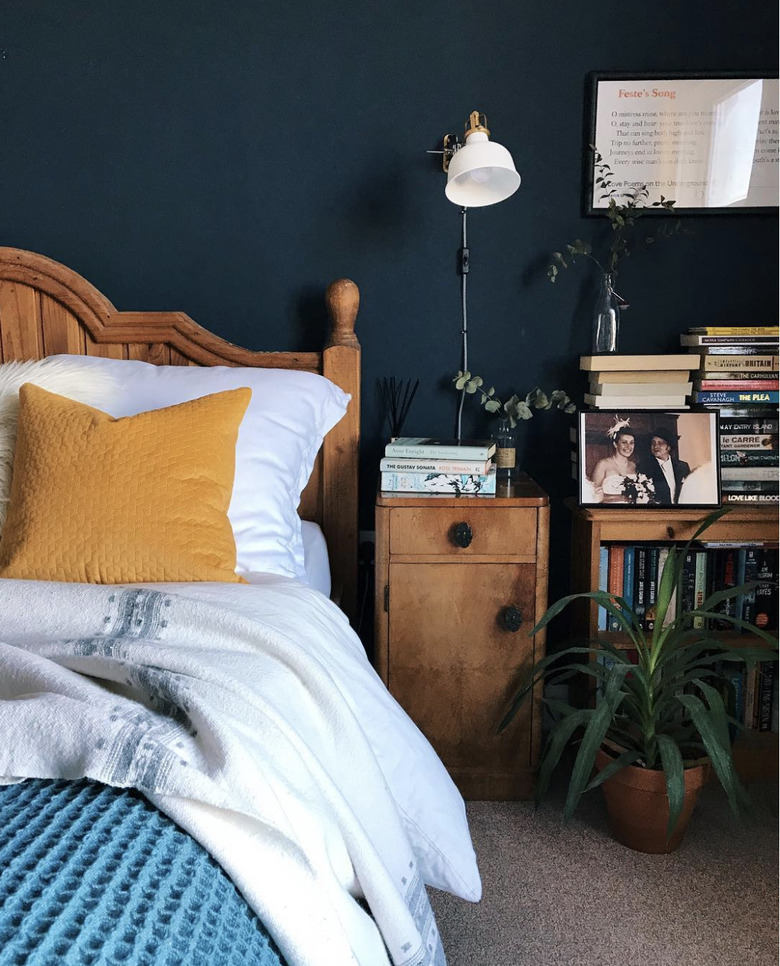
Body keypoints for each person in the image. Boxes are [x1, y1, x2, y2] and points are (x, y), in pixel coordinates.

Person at [639, 428, 690, 505]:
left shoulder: (683, 467)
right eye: (653, 443)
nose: (656, 446)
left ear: (668, 447)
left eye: (660, 443)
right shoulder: (645, 467)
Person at [590, 426, 637, 503]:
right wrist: (620, 498)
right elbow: (592, 495)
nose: (628, 446)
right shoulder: (603, 464)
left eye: (631, 443)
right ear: (615, 444)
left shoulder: (634, 466)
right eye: (624, 442)